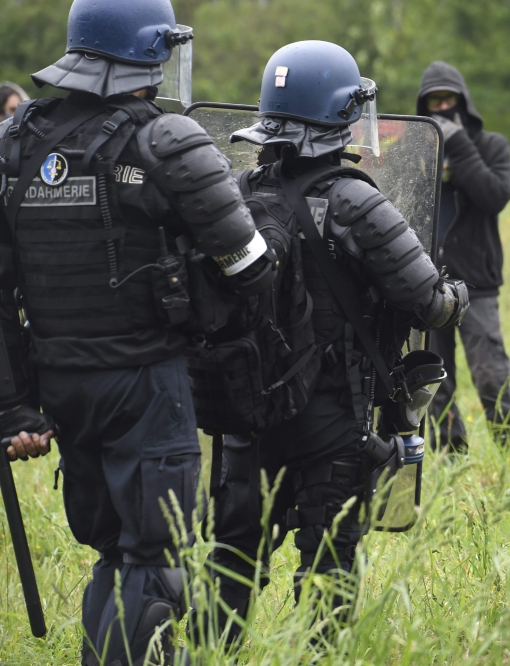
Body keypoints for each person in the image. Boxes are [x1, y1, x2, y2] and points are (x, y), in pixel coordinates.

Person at [0, 0, 276, 663]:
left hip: (59, 383)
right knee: (156, 559)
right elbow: (250, 265)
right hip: (146, 382)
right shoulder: (167, 138)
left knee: (114, 554)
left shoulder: (16, 141)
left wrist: (14, 405)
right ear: (153, 52)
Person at [202, 41, 469, 649]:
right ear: (341, 115)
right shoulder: (354, 199)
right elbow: (430, 304)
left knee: (230, 561)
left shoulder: (236, 193)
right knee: (327, 568)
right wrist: (459, 292)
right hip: (330, 414)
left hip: (244, 409)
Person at [416, 61, 510, 451]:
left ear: (463, 101)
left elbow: (495, 196)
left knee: (491, 376)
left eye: (448, 99)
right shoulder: (417, 150)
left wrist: (460, 146)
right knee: (432, 381)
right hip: (426, 281)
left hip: (477, 281)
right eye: (433, 102)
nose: (442, 108)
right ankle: (450, 455)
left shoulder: (490, 145)